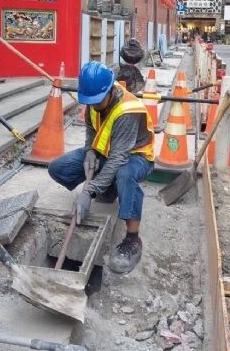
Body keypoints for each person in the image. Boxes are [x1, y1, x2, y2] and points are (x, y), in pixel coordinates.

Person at [48, 62, 154, 274]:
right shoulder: (94, 97)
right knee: (58, 167)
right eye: (90, 101)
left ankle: (132, 239)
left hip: (135, 156)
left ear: (110, 90)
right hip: (104, 151)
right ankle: (108, 188)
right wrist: (90, 151)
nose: (94, 105)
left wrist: (88, 191)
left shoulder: (127, 111)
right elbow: (90, 128)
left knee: (124, 173)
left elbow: (118, 158)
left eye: (97, 101)